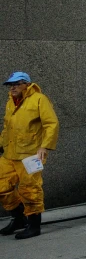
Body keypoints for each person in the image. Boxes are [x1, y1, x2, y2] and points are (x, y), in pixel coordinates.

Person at [0, 72, 59, 239]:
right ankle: (19, 219)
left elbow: (51, 123)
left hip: (31, 154)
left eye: (17, 84)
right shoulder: (11, 102)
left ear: (27, 84)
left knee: (30, 189)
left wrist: (45, 146)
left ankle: (33, 225)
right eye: (10, 85)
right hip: (10, 153)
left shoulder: (39, 99)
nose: (12, 87)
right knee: (1, 186)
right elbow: (7, 128)